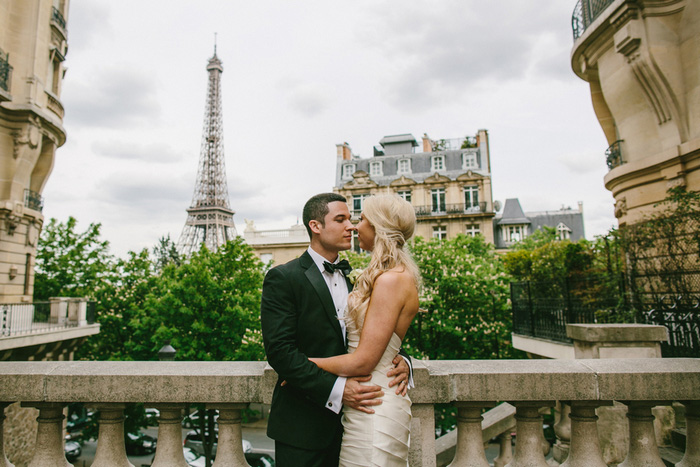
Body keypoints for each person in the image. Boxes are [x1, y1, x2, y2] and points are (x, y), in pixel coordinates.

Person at [261, 192, 412, 467]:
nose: (352, 226)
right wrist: (338, 390)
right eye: (341, 219)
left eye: (353, 219)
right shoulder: (283, 278)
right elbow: (280, 353)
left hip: (355, 423)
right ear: (315, 226)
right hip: (303, 427)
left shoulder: (359, 277)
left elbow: (381, 332)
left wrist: (406, 362)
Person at [308, 193, 421, 466]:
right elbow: (382, 339)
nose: (355, 227)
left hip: (374, 405)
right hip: (367, 402)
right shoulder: (387, 275)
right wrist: (403, 358)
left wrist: (303, 366)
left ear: (379, 227)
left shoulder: (391, 281)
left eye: (362, 219)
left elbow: (365, 359)